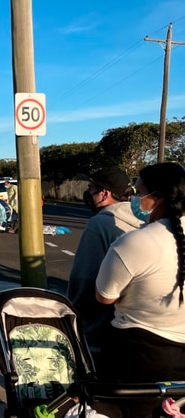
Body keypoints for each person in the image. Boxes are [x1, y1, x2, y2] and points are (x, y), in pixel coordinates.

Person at [96, 162, 185, 417]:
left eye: (139, 190)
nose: (135, 197)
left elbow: (103, 296)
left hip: (138, 356)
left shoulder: (134, 242)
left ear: (157, 198)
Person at [67, 166, 140, 370]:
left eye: (91, 188)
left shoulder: (99, 224)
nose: (87, 193)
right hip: (136, 327)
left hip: (102, 329)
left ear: (105, 193)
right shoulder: (145, 222)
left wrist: (75, 317)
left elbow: (84, 279)